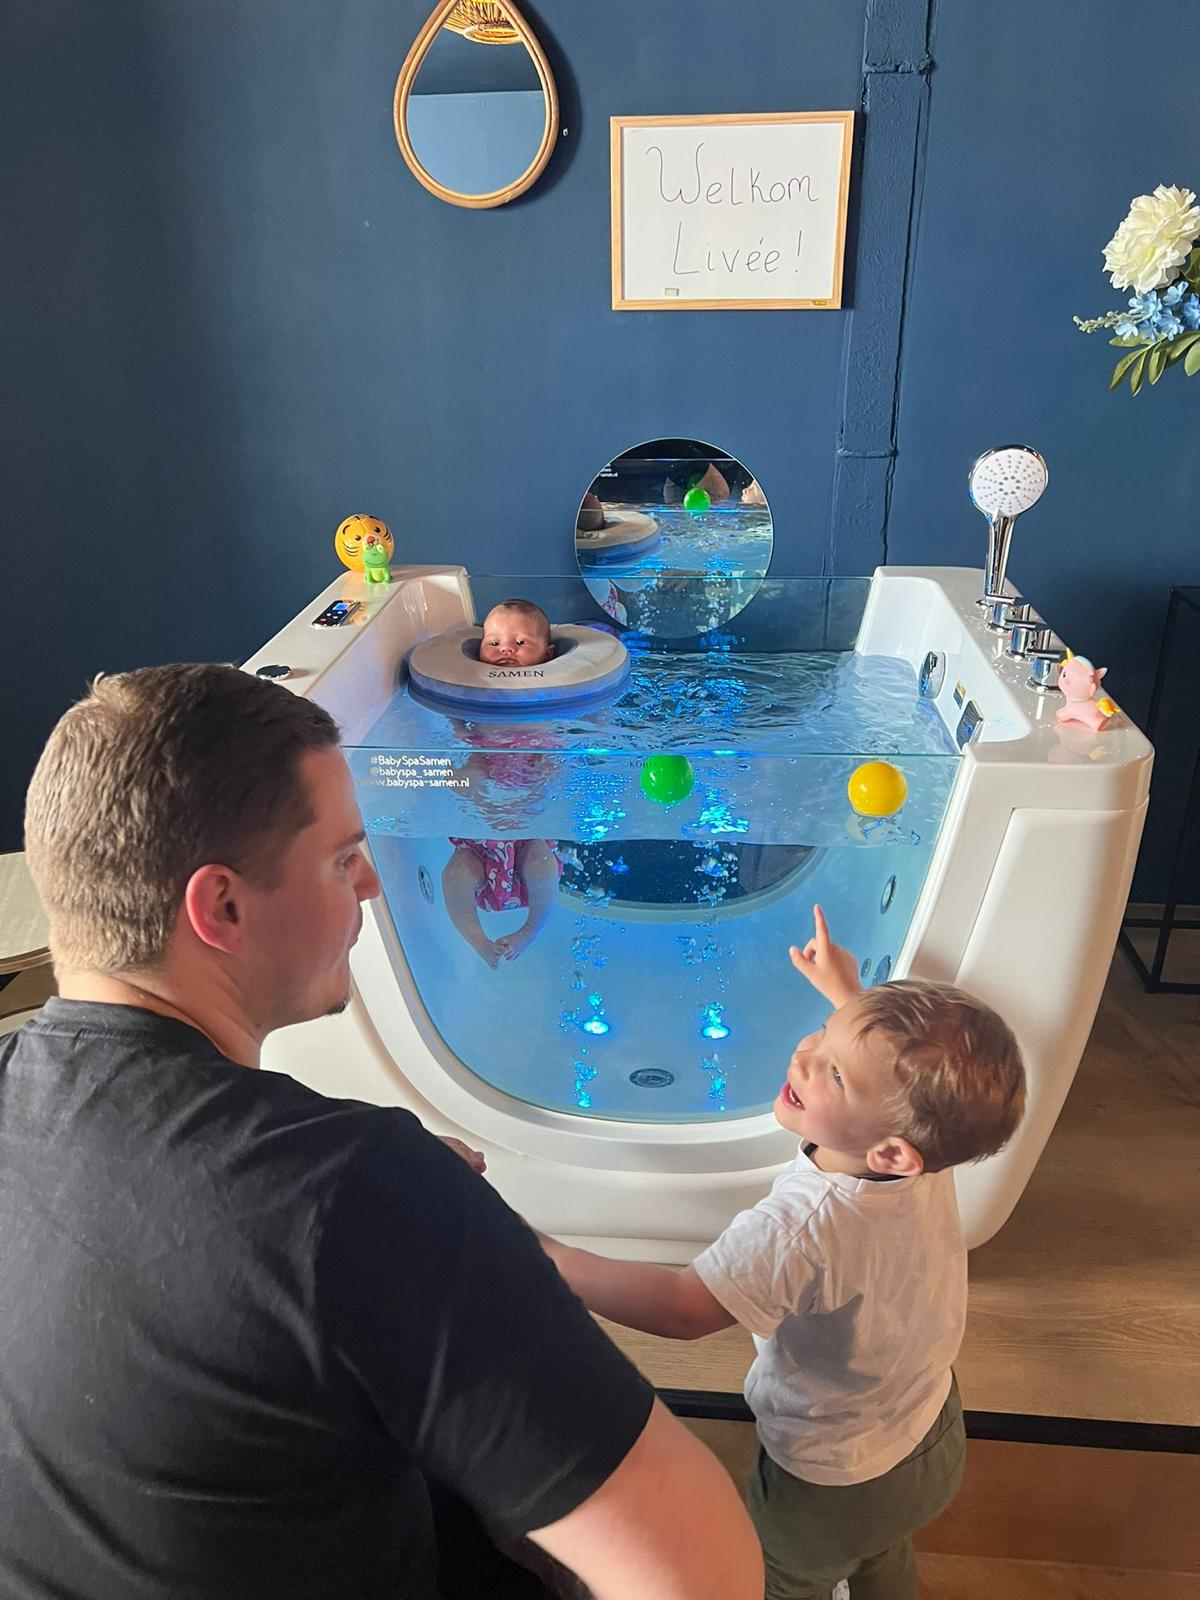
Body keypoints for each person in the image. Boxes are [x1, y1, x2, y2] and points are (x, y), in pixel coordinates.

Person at [3, 662, 763, 1600]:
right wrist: (406, 1216)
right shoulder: (355, 1193)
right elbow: (704, 1573)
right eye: (341, 858)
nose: (369, 882)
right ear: (222, 908)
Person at [540, 905, 1026, 1600]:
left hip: (829, 1481)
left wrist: (545, 1254)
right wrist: (846, 996)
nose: (803, 1056)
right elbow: (902, 1084)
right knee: (881, 1551)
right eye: (823, 1035)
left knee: (780, 1583)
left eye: (835, 1074)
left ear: (893, 1152)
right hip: (929, 1429)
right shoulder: (926, 1153)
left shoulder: (804, 1227)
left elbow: (684, 1310)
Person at [444, 599, 564, 966]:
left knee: (542, 863)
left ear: (547, 655)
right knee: (456, 872)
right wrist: (459, 740)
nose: (505, 650)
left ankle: (530, 930)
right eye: (493, 643)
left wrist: (545, 774)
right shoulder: (476, 696)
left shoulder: (550, 699)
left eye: (520, 642)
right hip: (479, 834)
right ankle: (476, 939)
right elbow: (459, 731)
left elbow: (555, 758)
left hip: (530, 831)